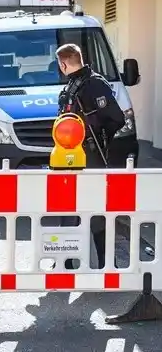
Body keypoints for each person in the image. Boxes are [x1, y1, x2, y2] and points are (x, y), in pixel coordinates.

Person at [55, 43, 127, 268]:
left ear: (63, 64)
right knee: (69, 211)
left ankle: (106, 264)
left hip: (91, 156)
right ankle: (65, 262)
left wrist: (98, 140)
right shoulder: (74, 85)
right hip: (71, 157)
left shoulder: (94, 85)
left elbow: (116, 119)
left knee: (96, 212)